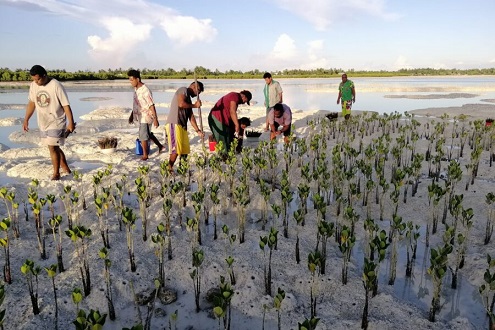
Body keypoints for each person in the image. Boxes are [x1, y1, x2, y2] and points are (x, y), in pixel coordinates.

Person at [23, 65, 75, 181]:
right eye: (34, 79)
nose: (36, 82)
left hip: (56, 120)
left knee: (52, 147)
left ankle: (56, 174)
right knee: (53, 146)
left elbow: (66, 105)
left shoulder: (56, 85)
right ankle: (66, 168)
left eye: (38, 79)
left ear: (44, 75)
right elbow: (32, 103)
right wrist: (26, 119)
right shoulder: (33, 85)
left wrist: (70, 122)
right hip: (43, 121)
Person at [165, 81, 205, 171]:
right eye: (198, 92)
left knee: (185, 150)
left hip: (183, 126)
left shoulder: (189, 100)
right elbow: (181, 104)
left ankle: (182, 168)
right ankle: (169, 168)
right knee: (175, 150)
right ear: (194, 87)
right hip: (175, 123)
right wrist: (195, 105)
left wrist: (198, 130)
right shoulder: (183, 90)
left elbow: (191, 117)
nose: (197, 95)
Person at [127, 69, 164, 160]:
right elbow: (136, 104)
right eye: (129, 80)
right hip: (140, 115)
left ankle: (145, 155)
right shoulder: (136, 89)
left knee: (143, 135)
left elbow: (151, 105)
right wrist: (132, 115)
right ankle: (160, 146)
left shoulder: (145, 90)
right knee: (148, 133)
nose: (130, 82)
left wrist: (155, 119)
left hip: (146, 116)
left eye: (132, 80)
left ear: (137, 79)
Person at [208, 90, 252, 154]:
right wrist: (237, 125)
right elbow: (232, 111)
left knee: (226, 139)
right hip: (217, 118)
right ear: (244, 96)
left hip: (223, 120)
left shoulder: (235, 99)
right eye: (246, 100)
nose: (244, 102)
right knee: (223, 140)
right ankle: (224, 156)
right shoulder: (235, 96)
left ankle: (226, 155)